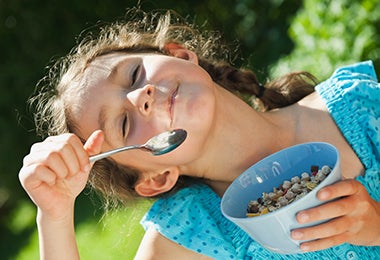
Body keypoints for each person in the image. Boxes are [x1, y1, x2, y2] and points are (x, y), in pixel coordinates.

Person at [19, 8, 380, 259]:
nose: (139, 96)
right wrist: (54, 216)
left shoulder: (354, 103)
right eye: (124, 124)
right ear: (156, 179)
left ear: (181, 55)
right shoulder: (193, 237)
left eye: (133, 75)